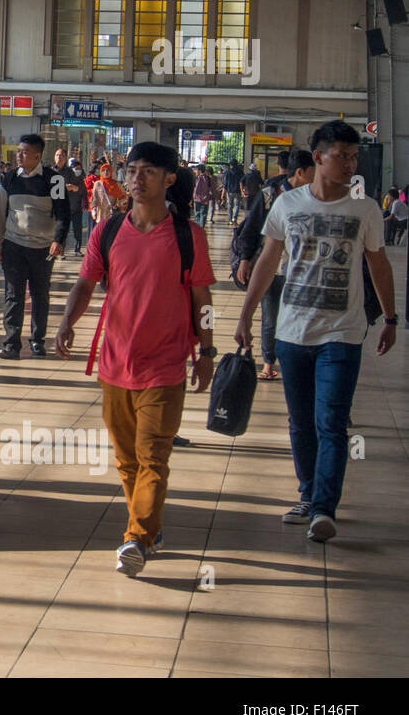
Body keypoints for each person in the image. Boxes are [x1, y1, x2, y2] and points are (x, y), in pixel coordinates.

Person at [55, 142, 215, 577]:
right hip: (115, 364)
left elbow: (202, 298)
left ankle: (136, 537)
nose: (136, 179)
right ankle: (148, 526)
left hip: (165, 366)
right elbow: (86, 284)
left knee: (153, 455)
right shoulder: (106, 231)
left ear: (168, 179)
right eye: (132, 171)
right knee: (127, 460)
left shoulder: (189, 236)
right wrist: (67, 322)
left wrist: (207, 349)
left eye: (147, 171)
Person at [235, 121, 398, 543]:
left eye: (354, 157)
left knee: (330, 422)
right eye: (341, 156)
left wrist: (392, 319)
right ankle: (307, 496)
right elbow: (268, 262)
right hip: (292, 333)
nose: (349, 164)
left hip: (342, 334)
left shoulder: (365, 209)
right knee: (301, 423)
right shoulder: (288, 204)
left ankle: (324, 507)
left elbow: (379, 266)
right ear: (319, 157)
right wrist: (245, 316)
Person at [235, 149, 315, 381]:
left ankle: (296, 361)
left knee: (298, 316)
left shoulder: (314, 196)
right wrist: (245, 259)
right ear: (301, 172)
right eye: (313, 171)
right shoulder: (270, 193)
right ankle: (268, 363)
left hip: (301, 268)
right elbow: (251, 226)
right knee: (270, 317)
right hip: (270, 265)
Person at [0, 133, 69, 359]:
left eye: (24, 152)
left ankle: (37, 340)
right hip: (14, 246)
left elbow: (63, 214)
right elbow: (0, 214)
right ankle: (11, 343)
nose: (19, 155)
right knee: (13, 295)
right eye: (18, 151)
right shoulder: (9, 179)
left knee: (40, 295)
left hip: (43, 249)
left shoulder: (53, 180)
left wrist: (58, 240)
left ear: (37, 155)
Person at [89, 162, 126, 228]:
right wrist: (93, 211)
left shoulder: (116, 184)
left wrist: (118, 205)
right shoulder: (98, 184)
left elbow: (123, 197)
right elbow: (94, 199)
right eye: (103, 170)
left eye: (108, 170)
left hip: (112, 213)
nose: (106, 172)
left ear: (111, 172)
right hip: (101, 214)